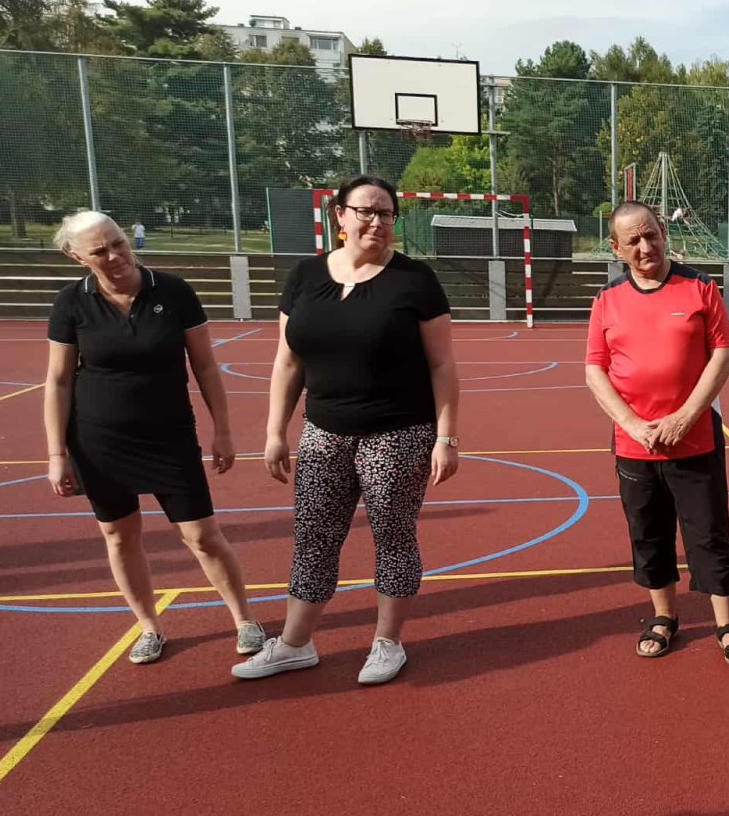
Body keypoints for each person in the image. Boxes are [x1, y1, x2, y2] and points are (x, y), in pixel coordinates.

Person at [234, 175, 459, 686]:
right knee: (313, 536)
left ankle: (387, 642)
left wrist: (446, 437)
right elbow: (288, 361)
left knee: (393, 536)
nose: (377, 221)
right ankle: (295, 643)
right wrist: (275, 431)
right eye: (366, 211)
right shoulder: (306, 275)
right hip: (323, 432)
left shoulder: (414, 280)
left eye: (386, 213)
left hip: (398, 433)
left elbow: (442, 365)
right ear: (340, 215)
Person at [43, 210, 263, 664]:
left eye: (117, 242)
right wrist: (56, 453)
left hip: (169, 436)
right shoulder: (71, 302)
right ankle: (149, 627)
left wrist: (223, 431)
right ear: (77, 257)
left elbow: (205, 367)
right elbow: (59, 381)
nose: (114, 255)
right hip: (98, 441)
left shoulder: (174, 291)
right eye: (99, 250)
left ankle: (245, 620)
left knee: (201, 535)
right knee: (119, 535)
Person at [585, 200, 729, 667]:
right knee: (648, 535)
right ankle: (664, 617)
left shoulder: (700, 288)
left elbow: (723, 357)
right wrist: (633, 425)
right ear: (616, 248)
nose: (646, 246)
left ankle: (728, 624)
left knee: (708, 533)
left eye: (651, 234)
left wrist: (684, 417)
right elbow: (595, 371)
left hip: (695, 438)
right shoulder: (607, 300)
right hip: (635, 445)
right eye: (633, 241)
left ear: (663, 231)